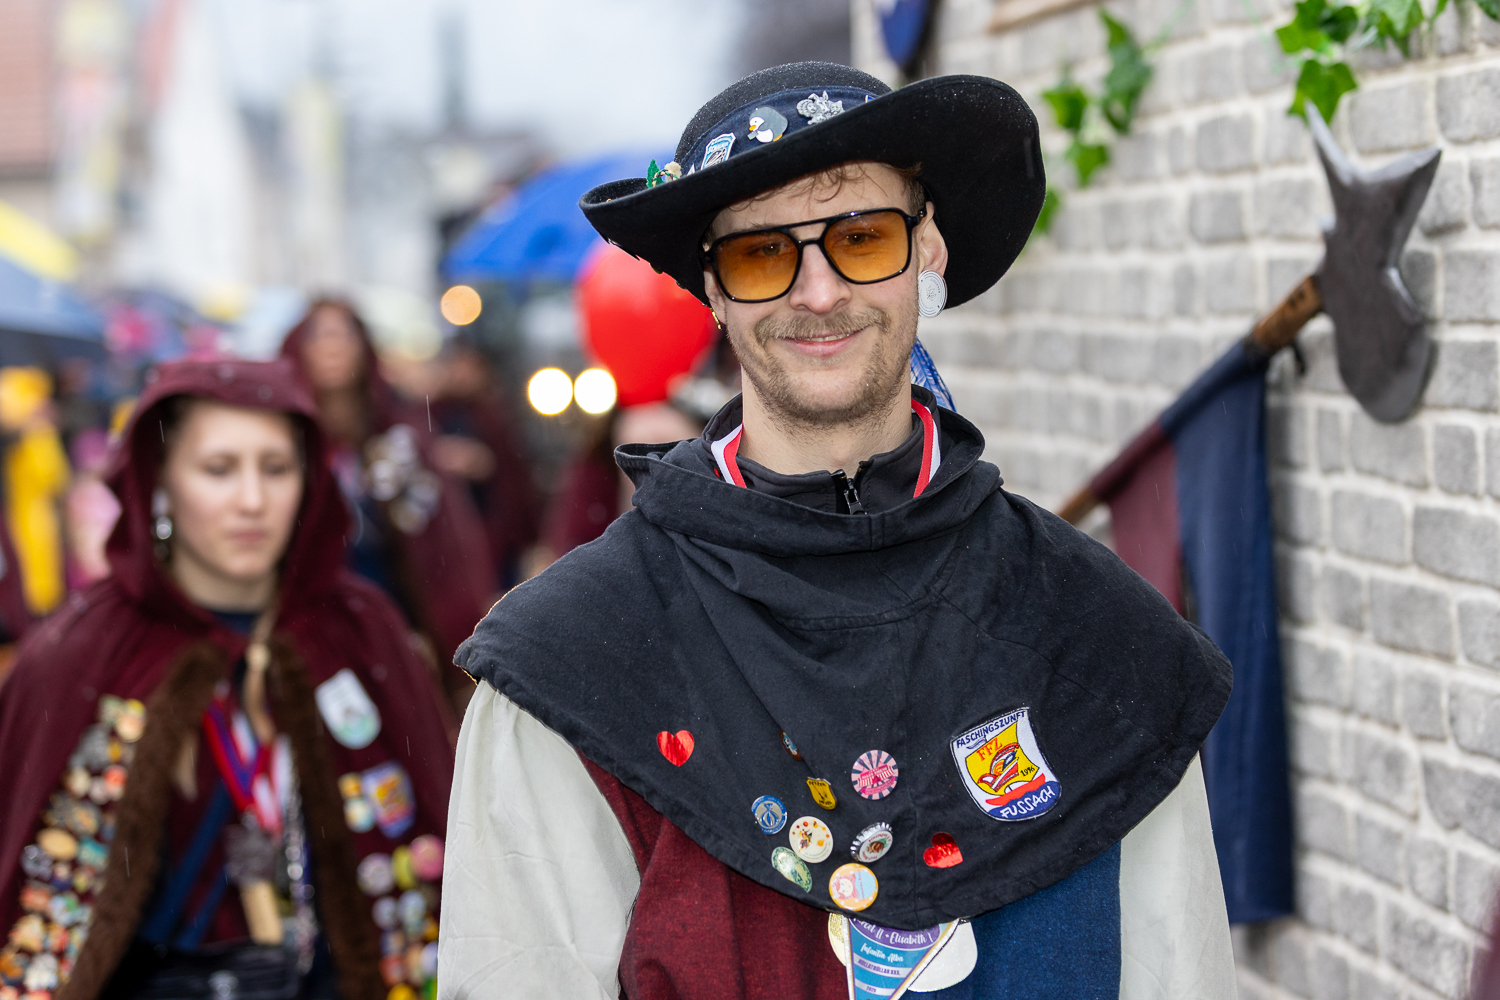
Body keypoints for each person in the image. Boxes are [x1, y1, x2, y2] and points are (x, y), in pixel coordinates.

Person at [439, 62, 1237, 999]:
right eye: (762, 253)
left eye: (861, 236)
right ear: (712, 288)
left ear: (927, 248)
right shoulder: (571, 667)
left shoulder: (1107, 647)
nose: (817, 291)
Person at [0, 359, 454, 1000]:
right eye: (218, 469)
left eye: (276, 468)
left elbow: (436, 828)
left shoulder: (360, 630)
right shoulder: (80, 650)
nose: (252, 500)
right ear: (161, 480)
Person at [280, 301, 497, 711]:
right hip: (311, 619)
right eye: (319, 334)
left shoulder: (397, 434)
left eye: (343, 332)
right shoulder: (284, 441)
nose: (332, 345)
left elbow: (440, 545)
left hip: (388, 614)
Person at [428, 339, 540, 589]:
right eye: (457, 365)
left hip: (497, 528)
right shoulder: (434, 413)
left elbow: (514, 476)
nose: (463, 374)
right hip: (458, 528)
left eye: (470, 366)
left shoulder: (494, 413)